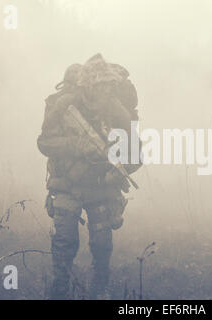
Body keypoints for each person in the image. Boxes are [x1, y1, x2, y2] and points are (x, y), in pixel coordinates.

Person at [37, 54, 141, 299]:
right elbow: (44, 142)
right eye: (101, 85)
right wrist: (77, 145)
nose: (106, 90)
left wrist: (114, 171)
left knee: (102, 244)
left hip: (100, 185)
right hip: (67, 184)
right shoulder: (64, 104)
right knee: (64, 241)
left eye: (109, 86)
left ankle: (99, 289)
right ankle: (60, 289)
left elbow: (135, 155)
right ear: (89, 85)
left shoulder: (117, 111)